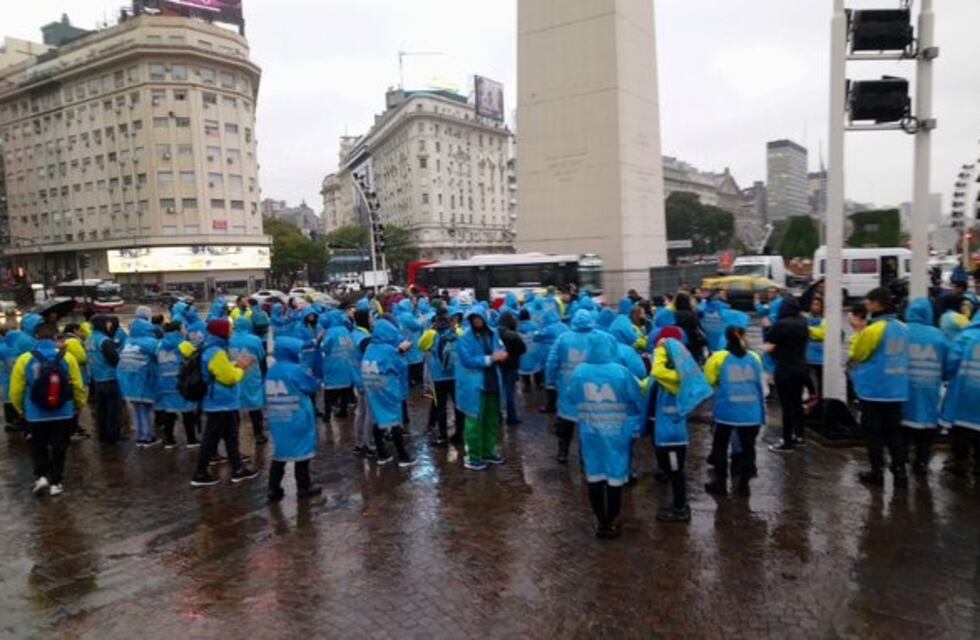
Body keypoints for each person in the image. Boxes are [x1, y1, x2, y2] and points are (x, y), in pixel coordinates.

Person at [568, 332, 644, 539]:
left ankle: (601, 521)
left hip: (590, 430)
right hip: (617, 431)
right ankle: (611, 520)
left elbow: (572, 396)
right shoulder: (621, 372)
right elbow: (636, 396)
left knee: (594, 473)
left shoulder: (580, 372)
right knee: (616, 474)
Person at [10, 322, 87, 497]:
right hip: (63, 411)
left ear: (36, 337)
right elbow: (77, 386)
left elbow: (16, 389)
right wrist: (78, 405)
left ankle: (41, 475)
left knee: (38, 446)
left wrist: (21, 409)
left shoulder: (24, 359)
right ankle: (56, 482)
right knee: (59, 447)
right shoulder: (67, 357)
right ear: (56, 336)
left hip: (35, 413)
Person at [651, 326, 713, 522]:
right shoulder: (680, 374)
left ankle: (680, 509)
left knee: (677, 472)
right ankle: (678, 505)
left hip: (672, 438)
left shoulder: (675, 378)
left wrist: (661, 349)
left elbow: (657, 371)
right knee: (673, 471)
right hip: (670, 434)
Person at [850, 287, 910, 488]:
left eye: (868, 302)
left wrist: (858, 331)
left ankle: (877, 472)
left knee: (873, 434)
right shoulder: (903, 328)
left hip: (874, 390)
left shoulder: (873, 329)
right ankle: (900, 472)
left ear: (877, 304)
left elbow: (858, 353)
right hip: (897, 389)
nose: (866, 306)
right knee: (895, 433)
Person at [190, 319, 260, 487]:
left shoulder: (212, 348)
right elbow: (228, 378)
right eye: (229, 329)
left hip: (222, 402)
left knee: (230, 437)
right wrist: (241, 368)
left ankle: (238, 469)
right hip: (220, 402)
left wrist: (235, 364)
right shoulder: (216, 352)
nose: (231, 332)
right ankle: (200, 473)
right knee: (212, 438)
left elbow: (221, 370)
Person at [704, 326, 766, 496]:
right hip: (751, 413)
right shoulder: (755, 357)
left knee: (720, 448)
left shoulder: (717, 357)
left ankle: (720, 483)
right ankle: (744, 487)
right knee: (748, 449)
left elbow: (709, 382)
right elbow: (763, 387)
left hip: (727, 411)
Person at [265, 336, 322, 501]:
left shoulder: (272, 370)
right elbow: (311, 386)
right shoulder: (296, 370)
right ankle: (304, 487)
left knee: (281, 452)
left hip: (278, 417)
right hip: (297, 416)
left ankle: (273, 488)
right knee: (302, 454)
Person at [456, 306, 508, 470]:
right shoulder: (465, 337)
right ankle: (474, 456)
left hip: (492, 382)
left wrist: (502, 354)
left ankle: (489, 452)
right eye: (473, 319)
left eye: (478, 318)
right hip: (475, 385)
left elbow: (500, 349)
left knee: (491, 420)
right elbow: (467, 359)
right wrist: (491, 358)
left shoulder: (493, 333)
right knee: (474, 422)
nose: (476, 321)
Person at [361, 318, 417, 466]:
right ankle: (403, 456)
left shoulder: (370, 347)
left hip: (372, 388)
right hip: (388, 388)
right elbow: (400, 367)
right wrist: (401, 352)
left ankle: (382, 454)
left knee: (378, 419)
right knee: (394, 420)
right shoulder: (388, 349)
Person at [901, 298, 947, 475]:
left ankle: (901, 459)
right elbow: (948, 363)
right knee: (926, 432)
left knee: (903, 429)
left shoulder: (902, 332)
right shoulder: (938, 336)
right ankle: (921, 463)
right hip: (929, 390)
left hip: (904, 389)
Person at [545, 310, 596, 464]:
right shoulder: (598, 338)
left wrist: (550, 382)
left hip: (567, 385)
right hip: (590, 387)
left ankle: (563, 452)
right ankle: (584, 454)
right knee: (587, 423)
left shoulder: (563, 339)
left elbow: (552, 362)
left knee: (566, 420)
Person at [762, 296, 809, 452]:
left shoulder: (781, 324)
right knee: (797, 404)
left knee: (787, 406)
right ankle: (800, 437)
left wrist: (767, 329)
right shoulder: (803, 322)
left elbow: (767, 347)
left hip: (785, 369)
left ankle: (787, 441)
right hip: (801, 367)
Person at [940, 308, 980, 477]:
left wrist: (946, 376)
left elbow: (952, 361)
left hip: (964, 393)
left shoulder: (966, 337)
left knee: (961, 428)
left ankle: (959, 461)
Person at [418, 307, 464, 446]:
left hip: (439, 377)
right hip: (456, 375)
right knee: (458, 406)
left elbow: (421, 346)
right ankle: (459, 435)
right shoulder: (458, 332)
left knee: (441, 407)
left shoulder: (431, 333)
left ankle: (442, 437)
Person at [155, 321, 199, 448]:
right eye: (184, 327)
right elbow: (195, 358)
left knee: (169, 411)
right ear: (179, 330)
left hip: (164, 382)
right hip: (181, 383)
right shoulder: (183, 344)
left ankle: (169, 440)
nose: (186, 329)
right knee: (187, 411)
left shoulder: (159, 344)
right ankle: (191, 440)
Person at [117, 318, 160, 447]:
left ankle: (140, 436)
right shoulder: (151, 343)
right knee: (147, 410)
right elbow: (160, 356)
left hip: (129, 383)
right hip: (146, 381)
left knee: (137, 410)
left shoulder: (127, 342)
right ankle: (148, 437)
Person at [229, 317, 267, 445]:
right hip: (252, 375)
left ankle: (234, 437)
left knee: (235, 407)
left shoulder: (229, 340)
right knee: (255, 406)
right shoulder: (255, 340)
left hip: (235, 375)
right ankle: (259, 435)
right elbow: (262, 356)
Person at [86, 315, 124, 443]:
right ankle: (114, 436)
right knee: (114, 410)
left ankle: (103, 435)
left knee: (102, 410)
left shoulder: (89, 339)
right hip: (110, 378)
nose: (110, 325)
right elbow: (114, 360)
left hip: (97, 379)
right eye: (107, 323)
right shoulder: (104, 341)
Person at [319, 310, 355, 422]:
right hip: (346, 363)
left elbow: (325, 348)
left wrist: (320, 341)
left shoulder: (330, 332)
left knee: (329, 391)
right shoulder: (345, 330)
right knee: (345, 389)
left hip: (333, 364)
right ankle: (343, 410)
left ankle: (327, 414)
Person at [350, 307, 376, 457]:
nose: (373, 321)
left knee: (360, 413)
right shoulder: (365, 339)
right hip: (366, 379)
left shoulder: (354, 334)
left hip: (357, 378)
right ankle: (369, 444)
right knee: (369, 414)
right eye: (371, 318)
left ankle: (359, 443)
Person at [60, 323, 91, 439]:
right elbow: (82, 358)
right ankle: (73, 429)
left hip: (68, 375)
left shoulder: (64, 339)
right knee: (76, 402)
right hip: (76, 374)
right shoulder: (73, 341)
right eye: (80, 331)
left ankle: (73, 428)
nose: (82, 333)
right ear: (75, 330)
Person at [535, 310, 568, 414]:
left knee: (551, 382)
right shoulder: (564, 326)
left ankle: (551, 406)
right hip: (565, 359)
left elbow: (537, 337)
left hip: (550, 356)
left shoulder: (548, 329)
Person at [497, 311, 526, 426]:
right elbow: (523, 349)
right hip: (511, 366)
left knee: (498, 391)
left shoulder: (495, 333)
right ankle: (511, 417)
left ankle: (498, 416)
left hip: (499, 365)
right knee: (510, 392)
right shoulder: (513, 335)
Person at [805, 296, 826, 401]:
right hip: (808, 353)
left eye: (817, 304)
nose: (814, 307)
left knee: (821, 379)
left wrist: (809, 330)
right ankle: (812, 394)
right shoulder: (806, 317)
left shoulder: (825, 319)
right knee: (805, 376)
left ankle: (820, 399)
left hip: (821, 354)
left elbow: (822, 334)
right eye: (813, 304)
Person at [517, 308, 543, 392]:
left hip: (523, 351)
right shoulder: (535, 325)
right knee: (536, 367)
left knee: (524, 369)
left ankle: (527, 386)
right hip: (534, 350)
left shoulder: (518, 327)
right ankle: (539, 384)